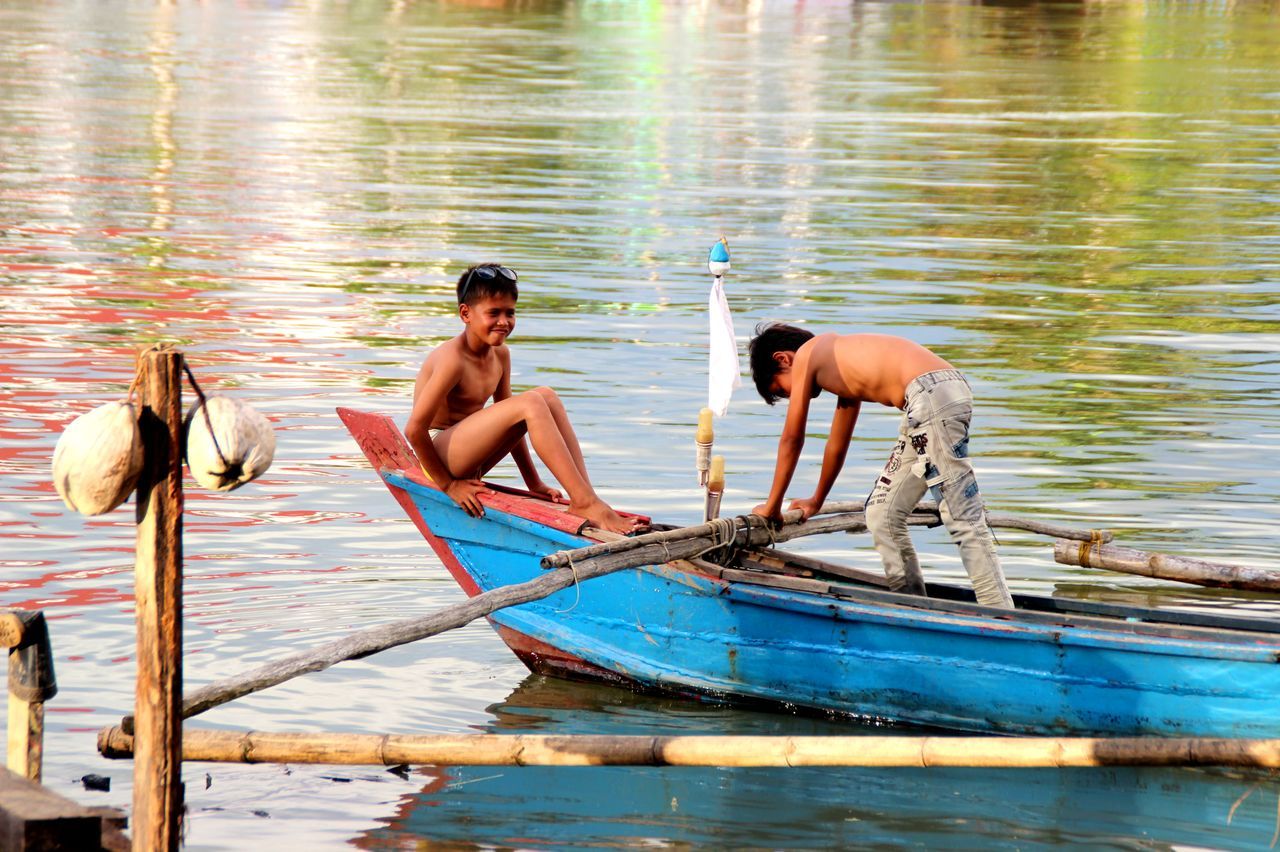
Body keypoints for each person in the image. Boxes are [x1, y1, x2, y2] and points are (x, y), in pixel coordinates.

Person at [747, 322, 1013, 609]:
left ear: (783, 359)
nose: (792, 395)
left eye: (783, 391)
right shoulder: (840, 363)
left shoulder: (809, 354)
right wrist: (816, 500)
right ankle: (911, 608)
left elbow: (792, 438)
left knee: (962, 516)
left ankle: (999, 615)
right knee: (881, 513)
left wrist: (772, 506)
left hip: (931, 395)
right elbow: (836, 445)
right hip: (929, 400)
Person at [405, 263, 643, 535]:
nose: (504, 322)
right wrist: (448, 486)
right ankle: (586, 502)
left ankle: (585, 496)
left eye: (510, 313)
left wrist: (534, 483)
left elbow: (514, 423)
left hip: (470, 456)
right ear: (465, 313)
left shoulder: (500, 355)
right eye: (493, 313)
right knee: (530, 402)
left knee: (546, 396)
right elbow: (414, 429)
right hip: (437, 459)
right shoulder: (452, 359)